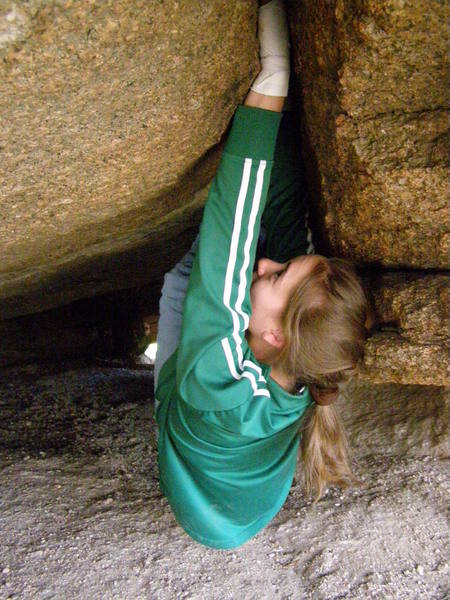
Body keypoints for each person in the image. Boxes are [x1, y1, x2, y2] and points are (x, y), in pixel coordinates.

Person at [154, 0, 370, 549]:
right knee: (242, 256)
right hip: (250, 507)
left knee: (190, 281)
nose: (267, 264)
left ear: (273, 336)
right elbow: (287, 216)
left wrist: (273, 77)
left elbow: (227, 247)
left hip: (204, 510)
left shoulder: (216, 382)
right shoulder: (302, 369)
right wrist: (284, 119)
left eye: (273, 277)